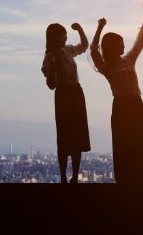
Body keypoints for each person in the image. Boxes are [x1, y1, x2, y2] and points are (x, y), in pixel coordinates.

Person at [91, 1, 143, 184]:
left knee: (139, 140)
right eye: (120, 45)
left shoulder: (129, 60)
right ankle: (126, 178)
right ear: (112, 47)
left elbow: (141, 38)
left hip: (136, 104)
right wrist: (99, 28)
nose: (124, 48)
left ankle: (140, 176)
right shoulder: (106, 67)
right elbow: (94, 50)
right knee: (123, 143)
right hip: (121, 106)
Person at [42, 22, 91, 184]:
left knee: (77, 136)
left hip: (75, 93)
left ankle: (75, 175)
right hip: (64, 95)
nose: (66, 36)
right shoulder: (49, 57)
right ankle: (64, 175)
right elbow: (51, 85)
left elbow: (84, 46)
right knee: (64, 137)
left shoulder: (68, 50)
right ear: (56, 37)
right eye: (63, 34)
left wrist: (80, 30)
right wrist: (54, 67)